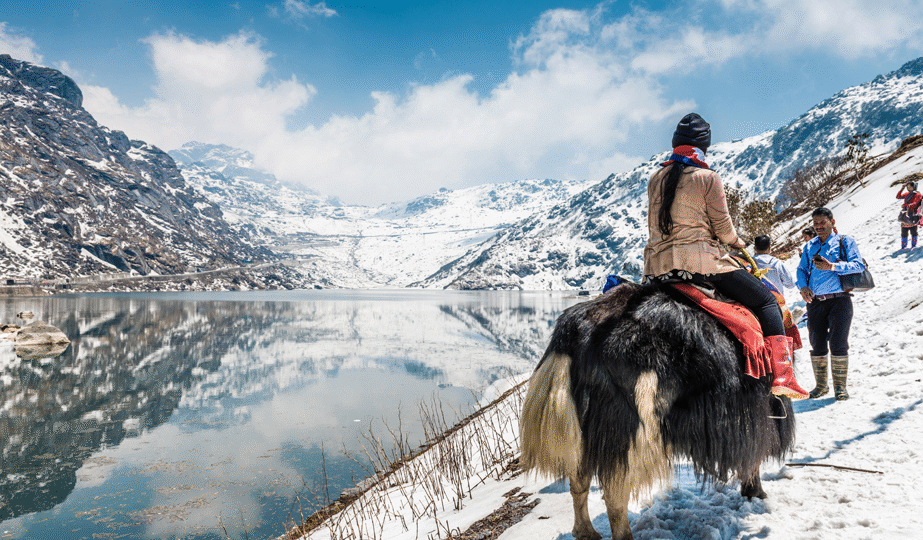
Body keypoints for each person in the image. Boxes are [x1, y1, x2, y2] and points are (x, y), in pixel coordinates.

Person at [644, 113, 808, 399]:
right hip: (702, 265)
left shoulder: (656, 177)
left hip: (658, 267)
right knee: (767, 301)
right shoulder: (707, 177)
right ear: (703, 146)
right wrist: (738, 242)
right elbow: (723, 229)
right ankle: (783, 376)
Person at [796, 207, 866, 401]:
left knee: (838, 343)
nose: (818, 226)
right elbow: (801, 270)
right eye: (815, 223)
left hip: (840, 300)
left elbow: (858, 265)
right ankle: (821, 386)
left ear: (832, 222)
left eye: (822, 222)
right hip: (815, 302)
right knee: (816, 343)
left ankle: (840, 388)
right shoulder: (810, 246)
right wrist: (803, 287)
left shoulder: (845, 241)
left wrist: (833, 266)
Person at [896, 181, 922, 249]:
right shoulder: (907, 194)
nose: (909, 188)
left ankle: (914, 246)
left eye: (910, 186)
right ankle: (903, 247)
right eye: (908, 187)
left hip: (913, 214)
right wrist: (902, 189)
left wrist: (906, 205)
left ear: (914, 187)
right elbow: (898, 196)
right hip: (905, 214)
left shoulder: (918, 194)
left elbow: (915, 203)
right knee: (904, 231)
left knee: (913, 231)